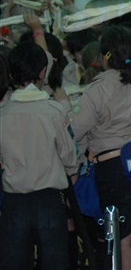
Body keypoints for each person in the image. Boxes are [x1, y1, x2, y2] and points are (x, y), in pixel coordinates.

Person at [71, 25, 131, 270]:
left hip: (113, 170)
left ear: (105, 57)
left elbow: (75, 131)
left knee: (124, 242)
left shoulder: (97, 89)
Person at [0, 42, 79, 270]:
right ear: (43, 72)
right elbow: (70, 159)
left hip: (13, 202)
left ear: (12, 73)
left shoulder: (3, 115)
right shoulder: (52, 112)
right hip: (49, 201)